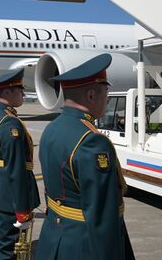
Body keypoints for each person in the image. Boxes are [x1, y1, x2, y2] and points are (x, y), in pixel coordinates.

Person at [35, 54, 134, 260]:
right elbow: (102, 216)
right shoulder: (92, 141)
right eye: (106, 93)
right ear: (91, 96)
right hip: (83, 245)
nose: (107, 101)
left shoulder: (52, 128)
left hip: (54, 236)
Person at [0, 69, 40, 260]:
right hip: (9, 194)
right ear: (7, 92)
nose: (23, 94)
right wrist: (22, 209)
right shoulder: (9, 123)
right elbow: (15, 168)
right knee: (7, 249)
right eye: (19, 89)